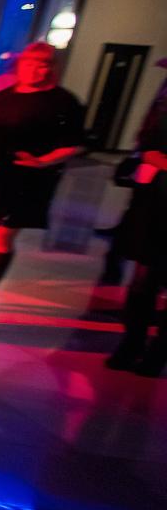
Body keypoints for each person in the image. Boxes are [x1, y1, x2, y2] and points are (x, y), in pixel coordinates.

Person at [0, 42, 84, 312]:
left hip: (27, 178)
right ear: (19, 66)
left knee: (0, 234)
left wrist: (42, 161)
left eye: (42, 64)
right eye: (29, 63)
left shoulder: (63, 102)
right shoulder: (1, 97)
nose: (34, 69)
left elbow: (74, 143)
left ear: (50, 68)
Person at [107, 75, 167, 376]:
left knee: (146, 279)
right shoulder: (163, 107)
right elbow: (150, 147)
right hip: (157, 202)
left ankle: (157, 353)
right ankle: (132, 343)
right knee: (143, 280)